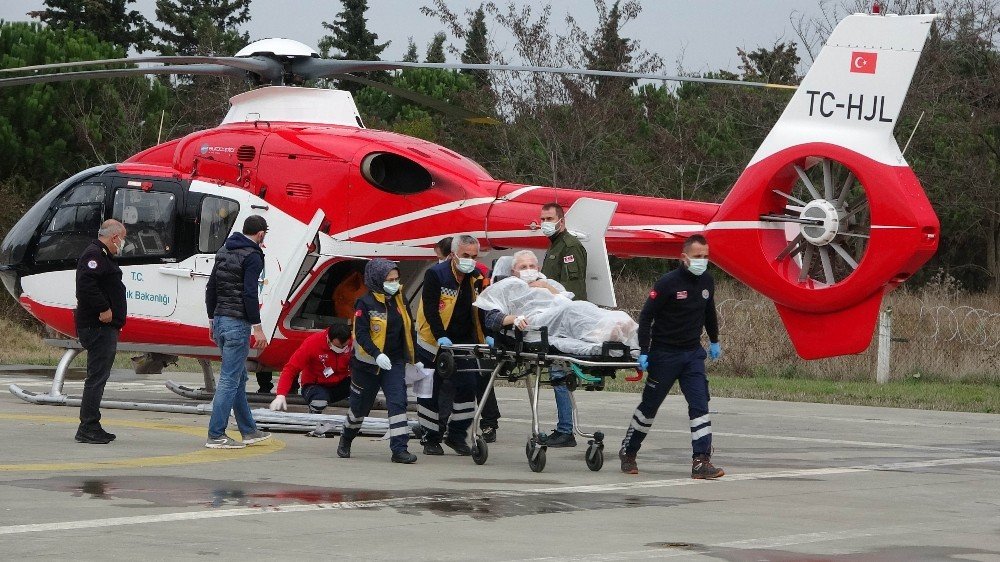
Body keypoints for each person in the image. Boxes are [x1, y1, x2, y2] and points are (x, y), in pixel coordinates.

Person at [619, 234, 724, 479]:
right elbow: (646, 317)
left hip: (692, 355)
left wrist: (715, 340)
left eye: (706, 256)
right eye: (698, 257)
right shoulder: (667, 283)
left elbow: (709, 313)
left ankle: (701, 461)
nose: (703, 261)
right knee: (649, 408)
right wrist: (644, 351)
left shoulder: (707, 281)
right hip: (665, 355)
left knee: (700, 406)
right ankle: (629, 450)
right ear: (684, 258)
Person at [338, 258, 419, 464]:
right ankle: (346, 438)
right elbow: (361, 334)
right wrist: (376, 354)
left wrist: (413, 357)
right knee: (359, 409)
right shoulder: (364, 303)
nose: (394, 283)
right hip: (367, 365)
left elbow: (408, 328)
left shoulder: (400, 299)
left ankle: (399, 449)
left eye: (396, 278)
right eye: (390, 279)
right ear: (376, 280)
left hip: (394, 362)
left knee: (398, 403)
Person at [415, 234, 489, 456]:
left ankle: (456, 435)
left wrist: (486, 335)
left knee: (467, 387)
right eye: (466, 255)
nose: (470, 260)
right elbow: (430, 308)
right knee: (429, 391)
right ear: (454, 254)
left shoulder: (476, 277)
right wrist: (439, 336)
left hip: (464, 341)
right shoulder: (436, 274)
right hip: (433, 342)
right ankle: (430, 437)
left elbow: (483, 308)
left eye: (474, 256)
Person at [204, 215, 272, 449]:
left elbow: (211, 286)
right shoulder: (253, 256)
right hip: (237, 324)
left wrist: (212, 319)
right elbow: (249, 293)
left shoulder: (224, 251)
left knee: (238, 378)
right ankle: (216, 434)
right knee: (229, 380)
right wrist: (258, 328)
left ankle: (249, 430)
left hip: (221, 319)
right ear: (261, 234)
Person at [74, 219, 128, 444]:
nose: (123, 244)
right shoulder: (95, 255)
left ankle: (91, 423)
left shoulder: (104, 255)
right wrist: (104, 308)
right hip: (97, 326)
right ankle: (88, 426)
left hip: (105, 326)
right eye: (123, 239)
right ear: (115, 237)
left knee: (99, 376)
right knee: (96, 377)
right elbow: (86, 284)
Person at [539, 202, 588, 447]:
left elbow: (573, 291)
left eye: (549, 218)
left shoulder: (569, 247)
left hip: (564, 321)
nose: (544, 223)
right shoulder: (555, 247)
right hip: (553, 319)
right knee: (557, 374)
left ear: (561, 220)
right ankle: (564, 427)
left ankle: (566, 430)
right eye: (542, 219)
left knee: (559, 375)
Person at [268, 322, 353, 414]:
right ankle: (314, 418)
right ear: (329, 339)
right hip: (316, 385)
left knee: (364, 388)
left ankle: (355, 421)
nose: (341, 349)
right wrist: (281, 394)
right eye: (337, 346)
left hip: (341, 383)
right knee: (319, 402)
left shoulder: (353, 344)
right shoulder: (313, 343)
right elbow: (291, 369)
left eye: (344, 346)